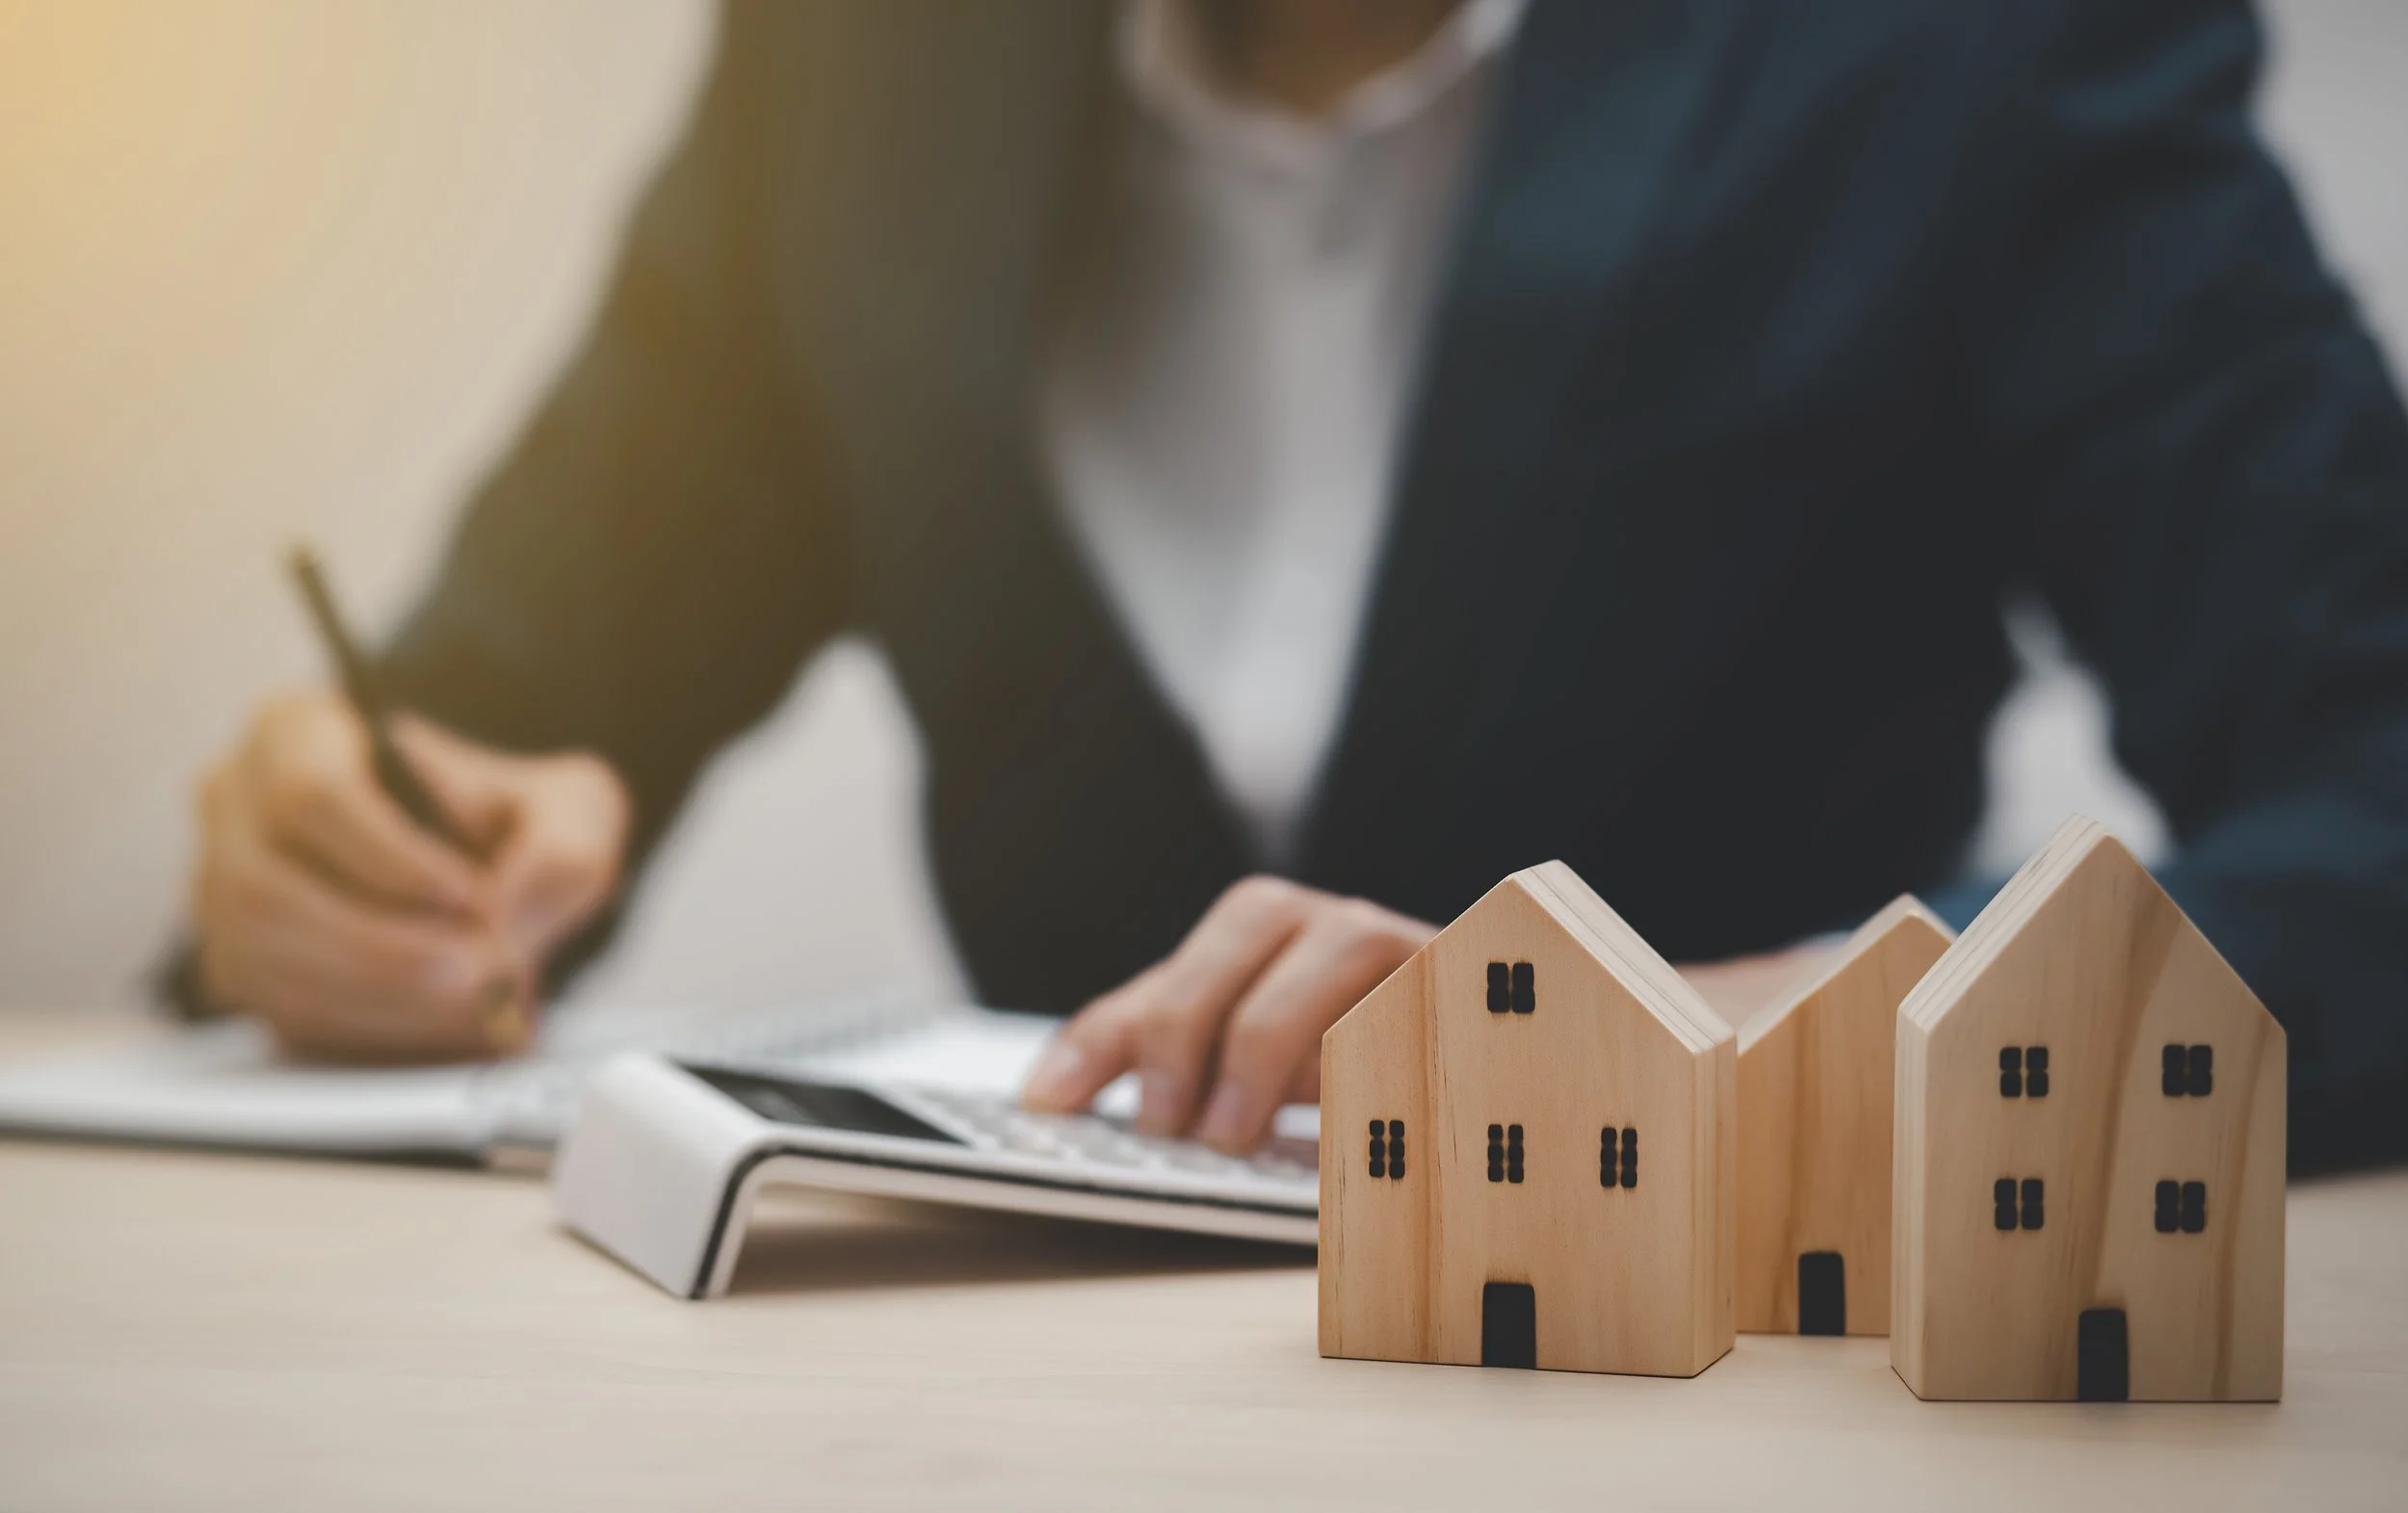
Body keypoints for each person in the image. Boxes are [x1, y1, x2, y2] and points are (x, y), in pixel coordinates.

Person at [183, 0, 2408, 1171]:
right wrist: (353, 871)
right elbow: (485, 731)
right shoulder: (861, 58)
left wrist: (1733, 1037)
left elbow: (2375, 819)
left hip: (1716, 1409)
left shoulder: (1974, 43)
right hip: (1002, 1430)